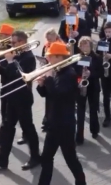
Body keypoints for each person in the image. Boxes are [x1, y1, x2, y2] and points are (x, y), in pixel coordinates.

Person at [0, 31, 40, 170]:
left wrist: (9, 61)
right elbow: (9, 75)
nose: (11, 45)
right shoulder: (17, 55)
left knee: (28, 128)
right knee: (8, 129)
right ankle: (2, 160)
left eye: (14, 42)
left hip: (23, 98)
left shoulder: (29, 57)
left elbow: (20, 77)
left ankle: (35, 157)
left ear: (22, 42)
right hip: (12, 97)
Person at [36, 42, 87, 185]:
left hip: (64, 125)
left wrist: (49, 79)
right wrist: (41, 85)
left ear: (59, 57)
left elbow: (59, 95)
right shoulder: (58, 71)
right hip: (54, 122)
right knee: (46, 157)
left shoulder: (69, 74)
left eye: (50, 56)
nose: (48, 60)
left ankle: (81, 182)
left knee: (70, 158)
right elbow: (48, 95)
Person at [75, 36, 103, 143]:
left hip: (93, 87)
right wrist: (80, 75)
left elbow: (100, 73)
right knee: (80, 111)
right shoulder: (77, 57)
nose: (84, 47)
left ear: (91, 46)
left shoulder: (97, 57)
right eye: (82, 45)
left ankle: (94, 130)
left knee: (93, 109)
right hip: (81, 86)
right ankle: (79, 136)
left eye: (86, 45)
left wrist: (91, 74)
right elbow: (73, 71)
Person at [40, 28, 63, 132]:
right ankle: (47, 120)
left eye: (50, 39)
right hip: (48, 71)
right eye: (47, 39)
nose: (48, 41)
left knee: (53, 98)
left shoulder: (61, 45)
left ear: (55, 36)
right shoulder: (46, 45)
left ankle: (51, 121)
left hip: (56, 73)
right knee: (48, 98)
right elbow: (43, 56)